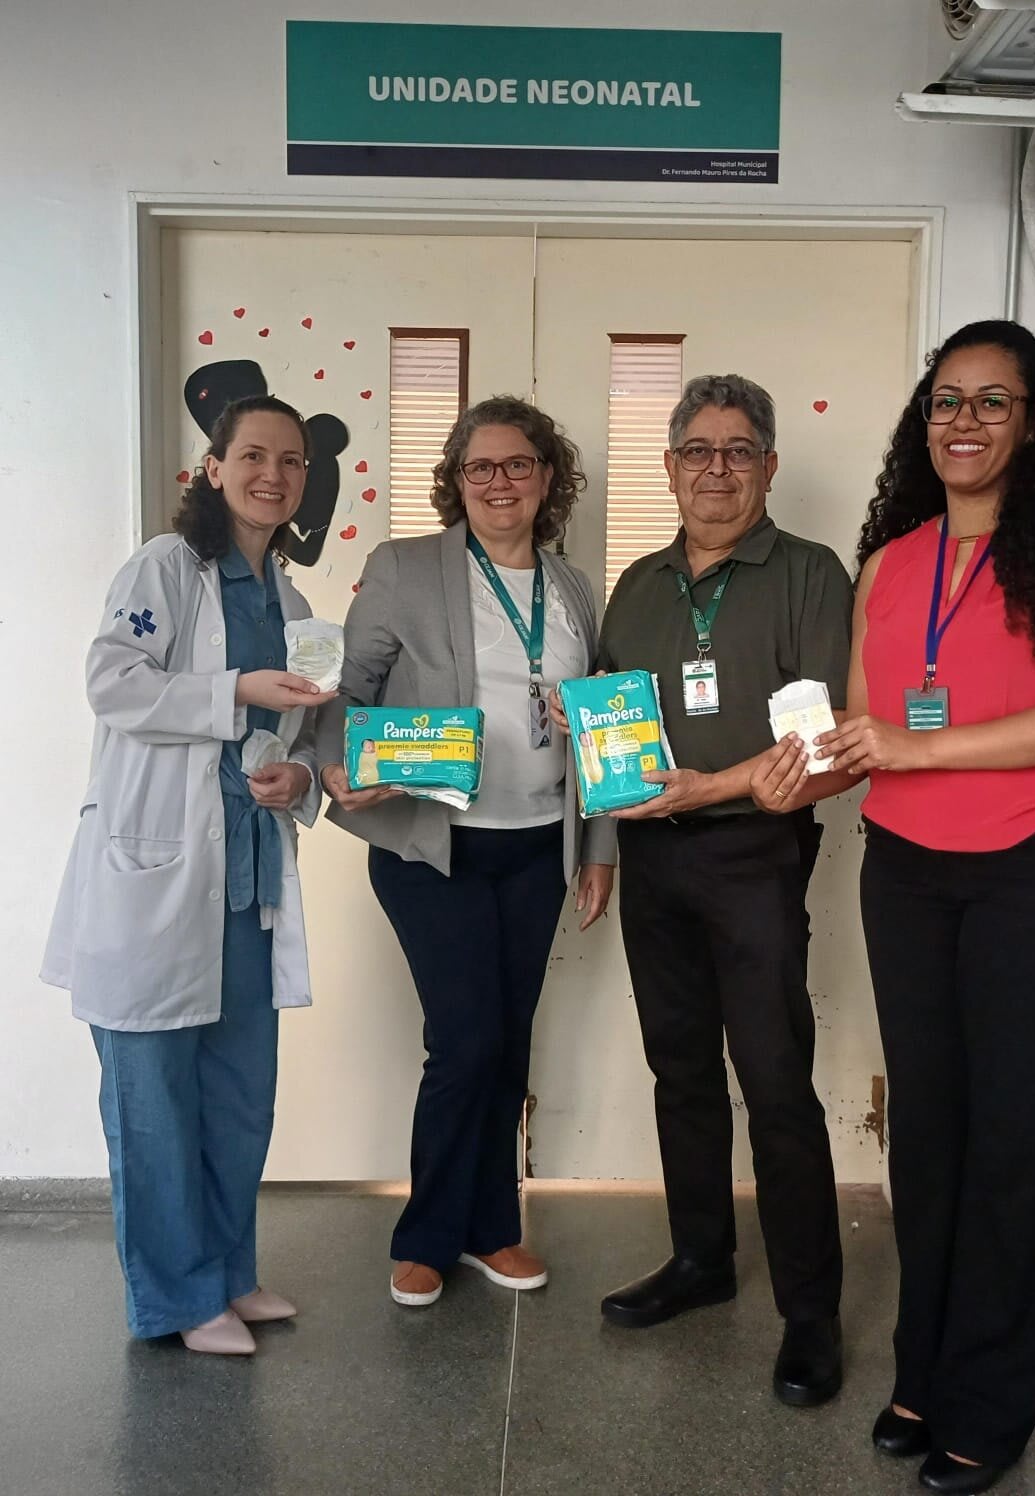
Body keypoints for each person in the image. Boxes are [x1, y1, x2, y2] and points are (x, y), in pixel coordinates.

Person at [754, 320, 1035, 1491]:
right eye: (945, 400)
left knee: (1012, 1139)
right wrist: (775, 774)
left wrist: (912, 747)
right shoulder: (892, 561)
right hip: (906, 870)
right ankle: (924, 1371)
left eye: (994, 400)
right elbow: (864, 728)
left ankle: (992, 1397)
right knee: (930, 1132)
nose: (965, 420)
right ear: (922, 420)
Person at [566, 373, 857, 1407]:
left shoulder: (810, 573)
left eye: (738, 450)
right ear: (670, 467)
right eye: (698, 450)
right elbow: (612, 731)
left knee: (775, 1080)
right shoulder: (637, 584)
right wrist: (598, 808)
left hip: (755, 855)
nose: (717, 469)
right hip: (655, 858)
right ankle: (700, 1259)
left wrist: (710, 786)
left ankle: (810, 1313)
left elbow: (823, 741)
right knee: (679, 1068)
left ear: (768, 466)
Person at [41, 395, 332, 1355]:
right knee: (155, 1101)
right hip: (154, 875)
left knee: (239, 1097)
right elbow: (112, 681)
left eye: (291, 461)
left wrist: (300, 781)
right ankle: (176, 1297)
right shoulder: (164, 568)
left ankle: (229, 1275)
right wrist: (234, 690)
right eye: (253, 456)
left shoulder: (293, 604)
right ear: (215, 468)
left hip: (247, 881)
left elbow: (300, 739)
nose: (272, 475)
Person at [316, 396, 615, 1309]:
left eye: (518, 463)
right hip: (431, 848)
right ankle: (427, 1236)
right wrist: (337, 764)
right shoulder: (404, 568)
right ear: (456, 481)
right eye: (479, 467)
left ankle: (493, 1229)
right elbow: (345, 690)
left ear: (548, 478)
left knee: (507, 1043)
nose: (499, 482)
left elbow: (602, 726)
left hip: (539, 845)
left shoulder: (574, 588)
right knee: (466, 1040)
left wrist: (600, 847)